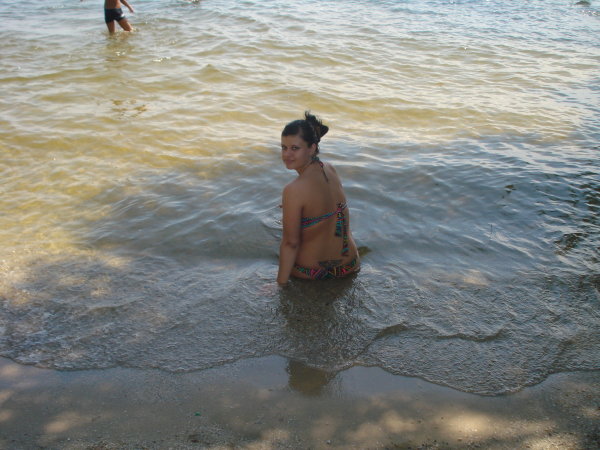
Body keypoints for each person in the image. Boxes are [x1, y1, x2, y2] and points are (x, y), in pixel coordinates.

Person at [277, 112, 360, 284]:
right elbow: (327, 207)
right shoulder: (329, 169)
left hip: (312, 273)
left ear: (312, 148)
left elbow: (291, 244)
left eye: (295, 148)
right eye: (284, 147)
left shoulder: (293, 190)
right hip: (350, 265)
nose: (287, 154)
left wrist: (279, 285)